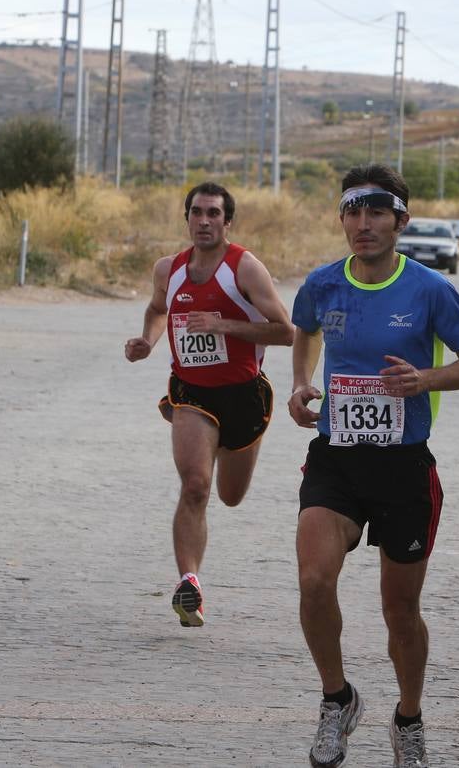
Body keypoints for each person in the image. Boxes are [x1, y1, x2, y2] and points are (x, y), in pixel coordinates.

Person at [288, 165, 459, 768]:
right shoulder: (323, 284)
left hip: (405, 468)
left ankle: (408, 717)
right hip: (337, 461)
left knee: (400, 612)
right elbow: (303, 335)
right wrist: (300, 385)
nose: (363, 224)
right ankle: (337, 700)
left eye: (377, 212)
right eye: (353, 212)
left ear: (401, 221)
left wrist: (424, 379)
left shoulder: (428, 288)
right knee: (313, 582)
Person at [123, 183, 294, 628]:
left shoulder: (245, 269)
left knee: (230, 496)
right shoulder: (169, 269)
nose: (204, 221)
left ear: (226, 221)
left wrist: (226, 326)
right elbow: (158, 308)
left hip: (243, 395)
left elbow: (286, 331)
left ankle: (219, 443)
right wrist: (147, 340)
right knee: (196, 485)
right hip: (191, 392)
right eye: (196, 213)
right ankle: (189, 584)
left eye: (213, 213)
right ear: (187, 219)